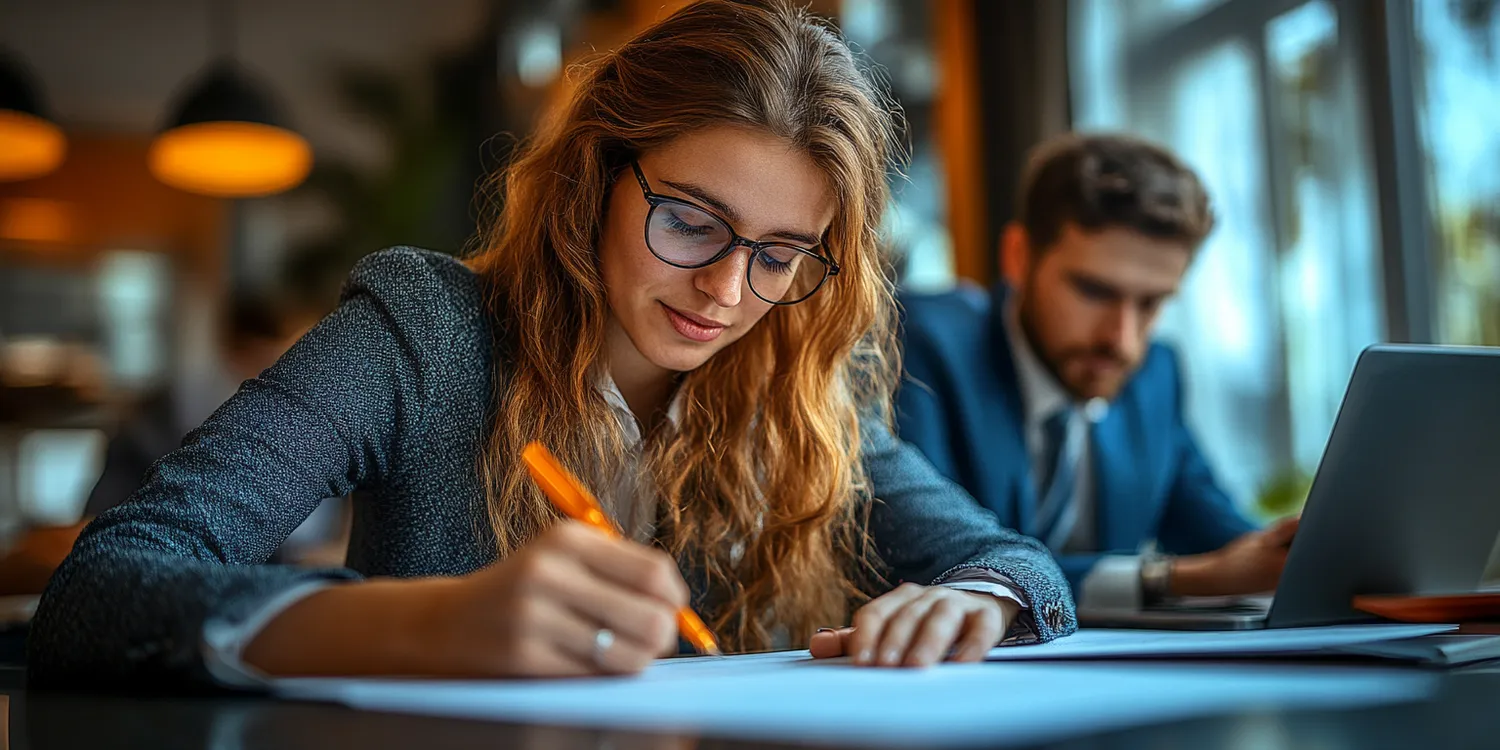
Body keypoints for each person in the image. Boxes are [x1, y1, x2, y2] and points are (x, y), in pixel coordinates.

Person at [29, 0, 1075, 687]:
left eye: (782, 253)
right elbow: (104, 586)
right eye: (691, 221)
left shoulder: (795, 385)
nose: (726, 289)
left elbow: (1016, 565)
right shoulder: (422, 331)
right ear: (592, 183)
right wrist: (423, 627)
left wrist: (970, 601)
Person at [898, 133, 1297, 613]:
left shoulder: (1155, 375)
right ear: (1019, 258)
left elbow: (1227, 542)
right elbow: (937, 567)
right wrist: (1178, 579)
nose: (1122, 339)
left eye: (1150, 303)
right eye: (1093, 291)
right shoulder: (922, 349)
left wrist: (1297, 554)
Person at [0, 295, 341, 597]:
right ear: (242, 351)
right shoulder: (160, 422)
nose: (306, 380)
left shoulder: (326, 427)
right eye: (289, 359)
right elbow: (97, 539)